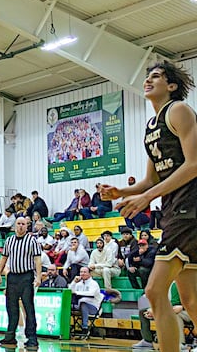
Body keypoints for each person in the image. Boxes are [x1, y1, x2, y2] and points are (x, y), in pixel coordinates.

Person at [101, 61, 197, 352]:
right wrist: (122, 191)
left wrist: (147, 198)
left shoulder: (178, 110)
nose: (148, 80)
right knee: (192, 301)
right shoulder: (151, 126)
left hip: (189, 208)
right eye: (147, 76)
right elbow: (150, 179)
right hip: (175, 210)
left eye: (156, 76)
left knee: (155, 291)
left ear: (171, 86)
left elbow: (194, 164)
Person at [0, 217, 42, 350]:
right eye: (19, 224)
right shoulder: (9, 240)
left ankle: (32, 338)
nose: (21, 226)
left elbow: (37, 259)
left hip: (26, 276)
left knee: (28, 307)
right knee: (11, 307)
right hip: (12, 277)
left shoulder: (32, 240)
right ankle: (10, 336)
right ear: (15, 226)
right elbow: (3, 258)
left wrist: (38, 277)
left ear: (27, 226)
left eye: (24, 224)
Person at [134, 284, 192, 350]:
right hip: (172, 308)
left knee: (175, 315)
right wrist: (155, 309)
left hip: (188, 310)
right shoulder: (164, 283)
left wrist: (182, 307)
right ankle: (147, 340)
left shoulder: (186, 282)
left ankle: (180, 343)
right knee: (143, 312)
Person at [68, 267, 104, 338]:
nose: (82, 274)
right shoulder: (78, 284)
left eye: (85, 272)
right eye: (81, 272)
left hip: (93, 308)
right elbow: (69, 291)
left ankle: (85, 328)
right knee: (67, 305)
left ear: (89, 274)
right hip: (79, 306)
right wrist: (74, 282)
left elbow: (91, 293)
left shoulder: (94, 283)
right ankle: (67, 327)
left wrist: (77, 293)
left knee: (83, 303)